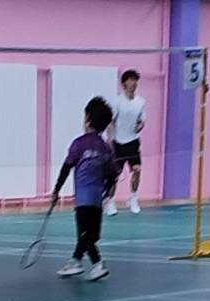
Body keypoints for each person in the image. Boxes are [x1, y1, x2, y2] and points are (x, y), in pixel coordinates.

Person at [51, 97, 115, 282]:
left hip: (83, 199)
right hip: (97, 199)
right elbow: (112, 174)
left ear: (87, 118)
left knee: (85, 235)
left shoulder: (79, 143)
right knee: (90, 234)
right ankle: (76, 261)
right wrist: (106, 191)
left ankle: (97, 264)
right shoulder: (105, 148)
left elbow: (66, 167)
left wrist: (56, 190)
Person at [106, 70, 147, 215]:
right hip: (118, 143)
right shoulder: (117, 102)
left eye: (135, 80)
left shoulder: (141, 102)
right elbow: (111, 122)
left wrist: (140, 126)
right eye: (130, 80)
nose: (133, 83)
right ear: (124, 84)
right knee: (115, 175)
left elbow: (142, 121)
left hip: (133, 142)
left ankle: (133, 198)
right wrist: (110, 140)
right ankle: (110, 202)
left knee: (137, 170)